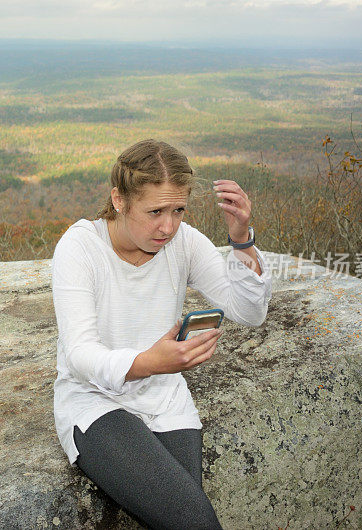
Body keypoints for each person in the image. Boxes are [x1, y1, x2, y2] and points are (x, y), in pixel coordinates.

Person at [51, 139, 272, 529]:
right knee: (193, 519)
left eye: (178, 210)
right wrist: (147, 362)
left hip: (164, 400)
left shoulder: (184, 242)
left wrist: (241, 240)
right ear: (119, 200)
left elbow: (248, 311)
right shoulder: (81, 246)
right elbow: (80, 354)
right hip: (96, 401)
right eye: (155, 211)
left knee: (182, 517)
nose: (168, 226)